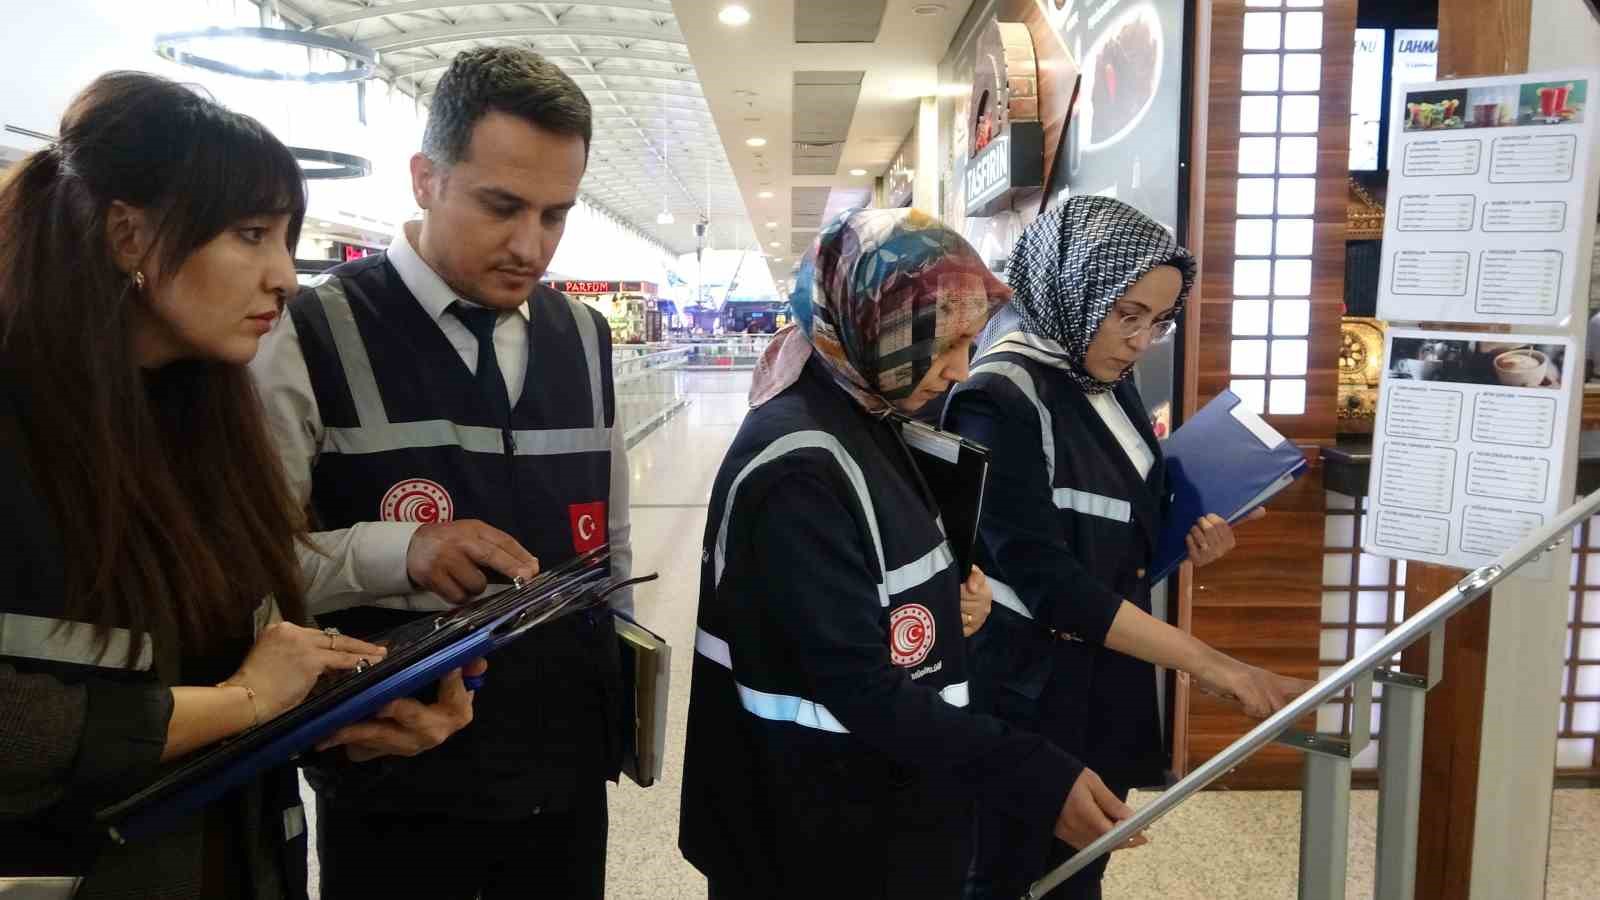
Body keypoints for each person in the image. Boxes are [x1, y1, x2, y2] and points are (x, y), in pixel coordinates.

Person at [0, 72, 478, 899]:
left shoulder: (199, 426)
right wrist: (248, 699)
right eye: (251, 234)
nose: (285, 277)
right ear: (128, 237)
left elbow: (215, 655)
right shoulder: (21, 432)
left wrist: (355, 698)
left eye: (286, 237)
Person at [250, 46, 633, 899]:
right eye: (502, 206)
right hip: (398, 785)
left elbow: (609, 539)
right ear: (425, 178)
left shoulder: (584, 335)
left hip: (564, 775)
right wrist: (400, 550)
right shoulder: (308, 334)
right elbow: (251, 571)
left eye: (555, 215)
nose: (530, 245)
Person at [680, 208, 1142, 900]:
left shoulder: (870, 411)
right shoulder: (799, 469)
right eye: (945, 341)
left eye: (971, 341)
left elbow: (871, 584)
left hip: (868, 811)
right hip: (809, 839)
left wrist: (952, 603)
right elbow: (857, 685)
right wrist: (1037, 775)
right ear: (881, 324)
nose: (961, 369)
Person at [945, 196, 1309, 899]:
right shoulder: (999, 396)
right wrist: (1213, 665)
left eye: (1160, 321)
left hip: (1104, 682)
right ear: (1071, 285)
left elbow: (1121, 507)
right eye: (1128, 314)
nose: (1142, 340)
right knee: (1010, 875)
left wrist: (1188, 527)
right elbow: (1049, 578)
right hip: (1027, 693)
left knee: (1079, 873)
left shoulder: (1107, 378)